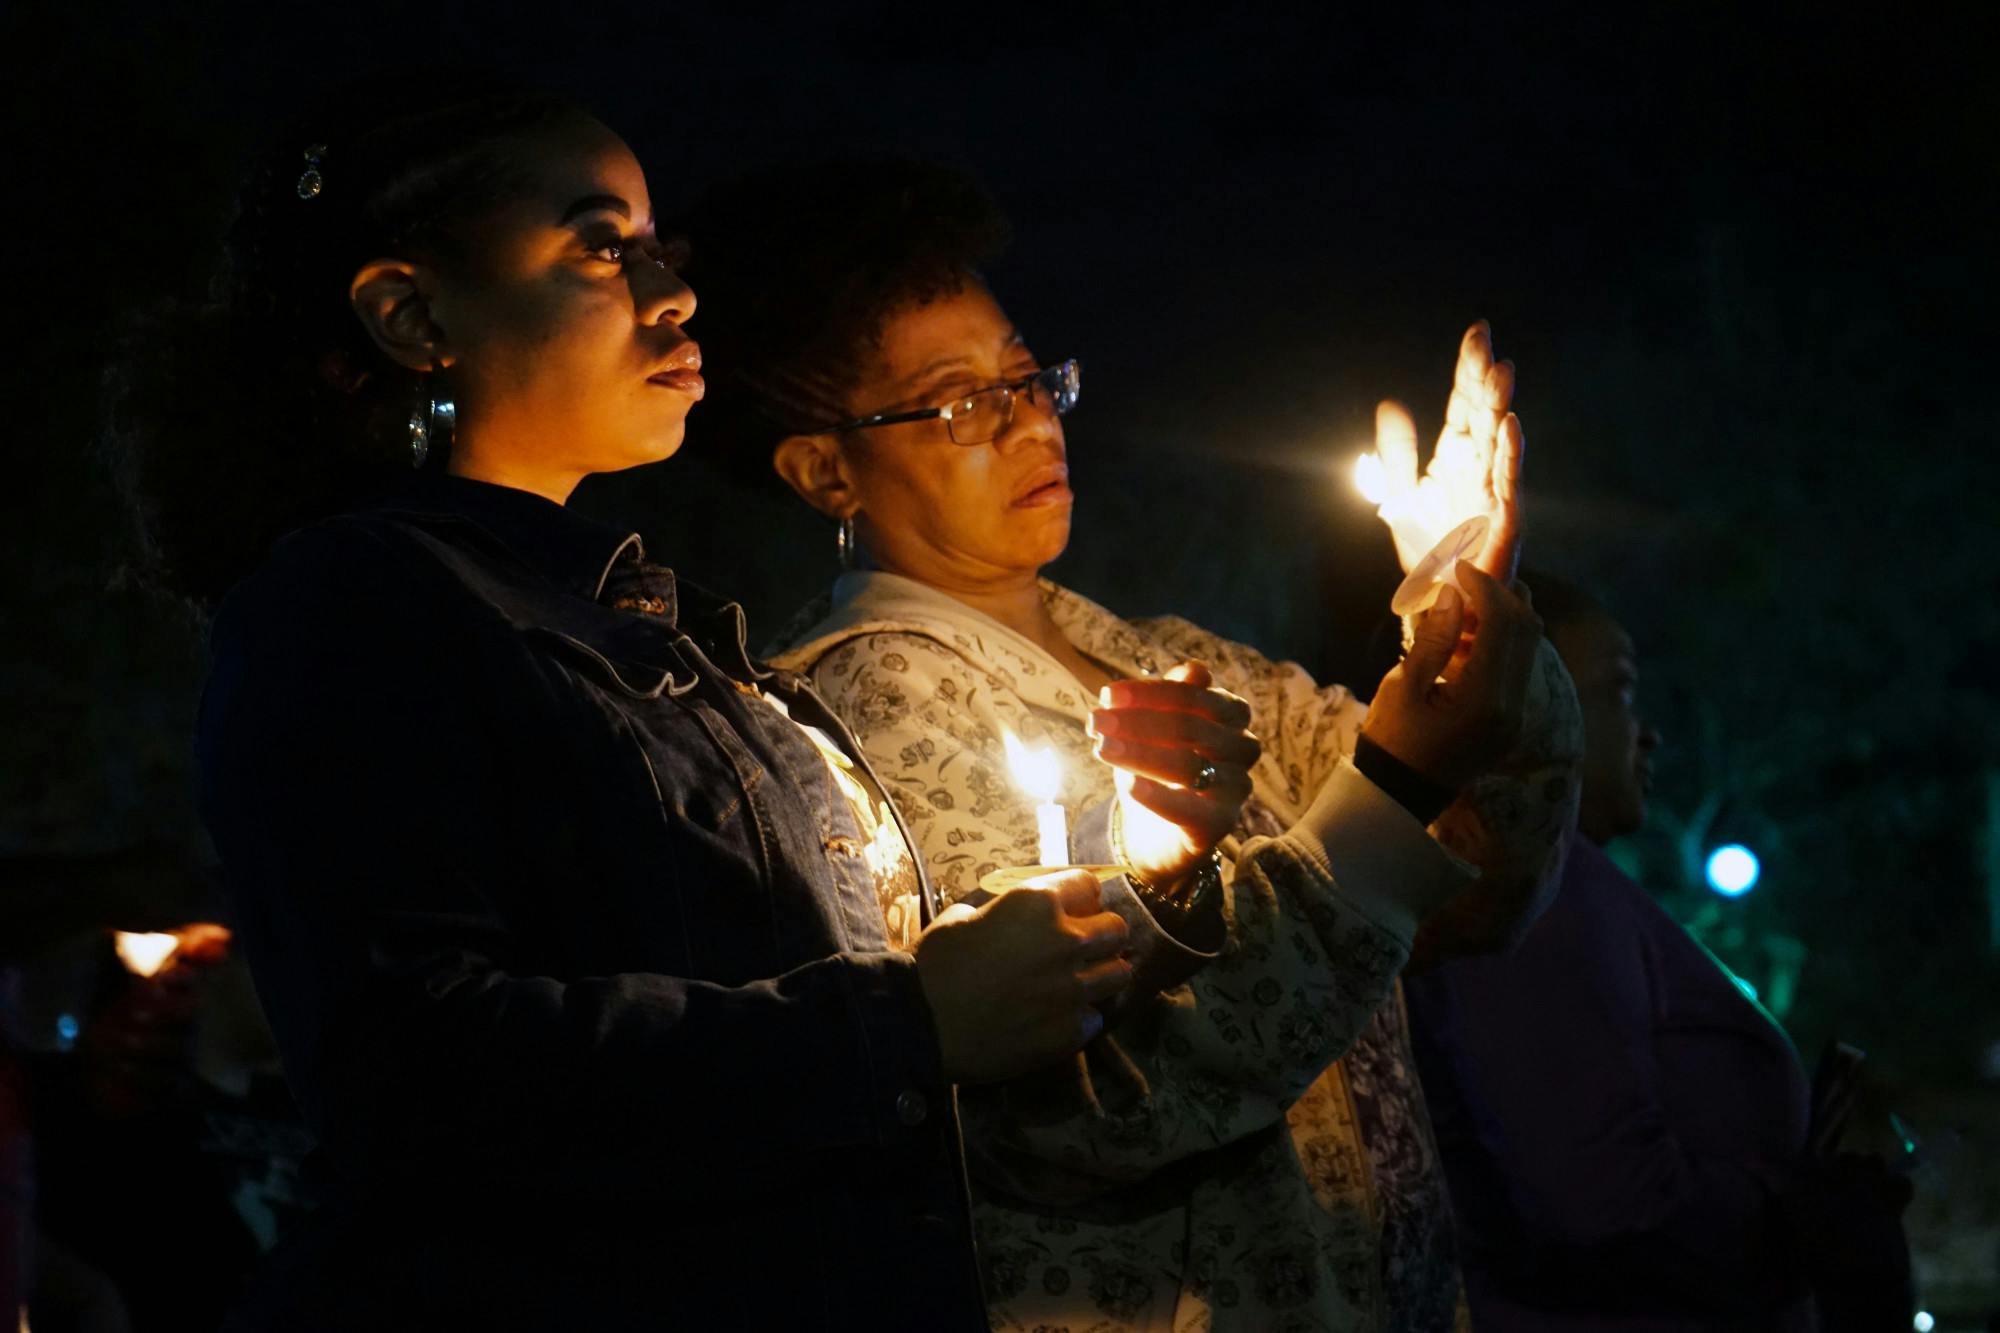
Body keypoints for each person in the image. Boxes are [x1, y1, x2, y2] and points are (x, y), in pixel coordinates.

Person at [109, 81, 1143, 1332]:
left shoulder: (642, 620)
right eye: (604, 245)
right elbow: (419, 1072)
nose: (674, 292)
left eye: (662, 249)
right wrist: (906, 1024)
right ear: (410, 311)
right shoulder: (354, 605)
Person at [682, 159, 1583, 1332]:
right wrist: (1391, 781)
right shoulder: (850, 717)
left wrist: (1459, 609)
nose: (1027, 422)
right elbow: (1089, 1103)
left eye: (1027, 376)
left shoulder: (1158, 651)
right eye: (960, 403)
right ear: (821, 468)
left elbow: (1476, 878)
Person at [1403, 573, 1912, 1331]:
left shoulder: (1570, 889)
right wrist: (1821, 1214)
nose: (1647, 730)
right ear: (1525, 699)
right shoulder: (1527, 901)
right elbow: (1600, 1204)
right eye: (1619, 689)